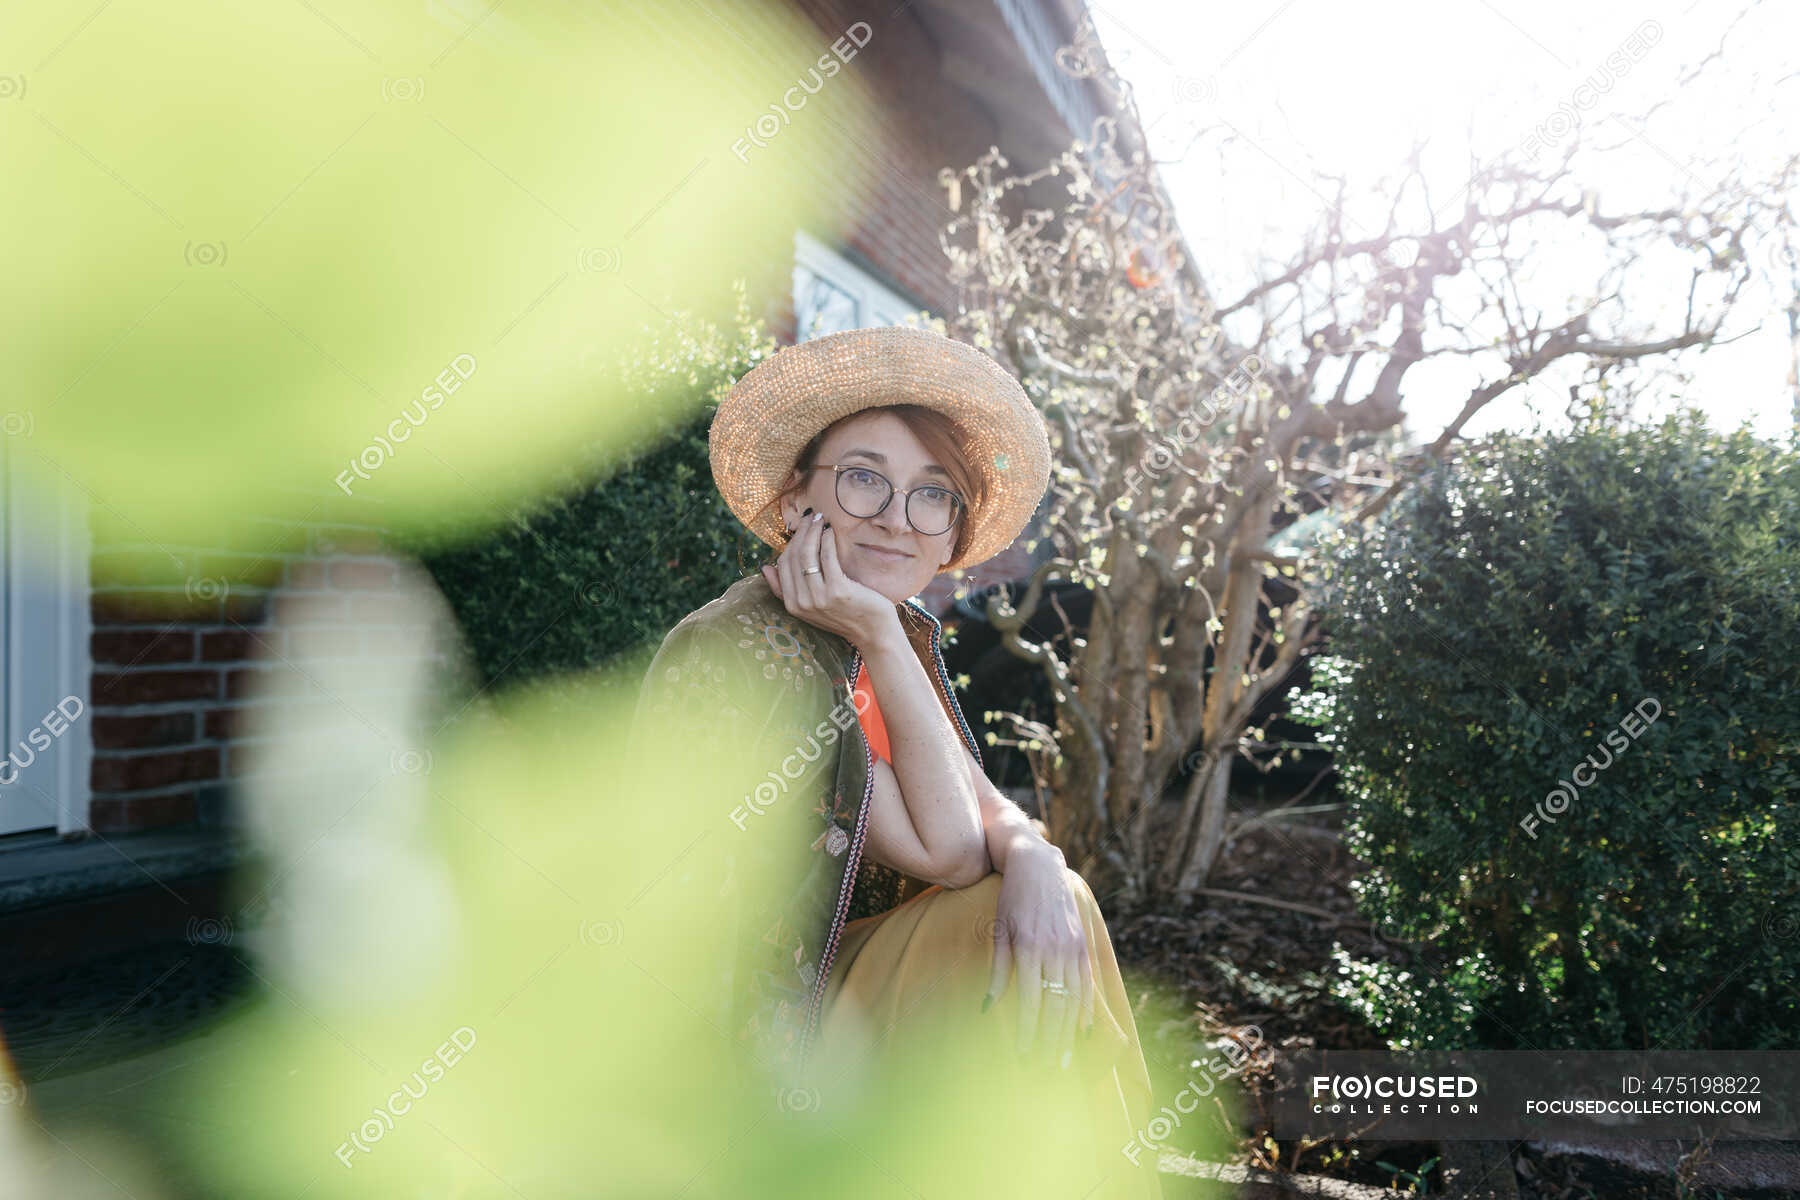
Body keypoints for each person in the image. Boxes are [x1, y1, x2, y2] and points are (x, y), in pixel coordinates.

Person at [630, 325, 1165, 1198]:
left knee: (1042, 898)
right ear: (800, 492)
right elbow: (952, 849)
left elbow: (984, 804)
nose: (895, 516)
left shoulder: (880, 630)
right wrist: (880, 630)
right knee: (1000, 920)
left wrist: (1034, 851)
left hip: (870, 982)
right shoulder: (755, 651)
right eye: (865, 477)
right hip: (761, 1028)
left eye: (932, 494)